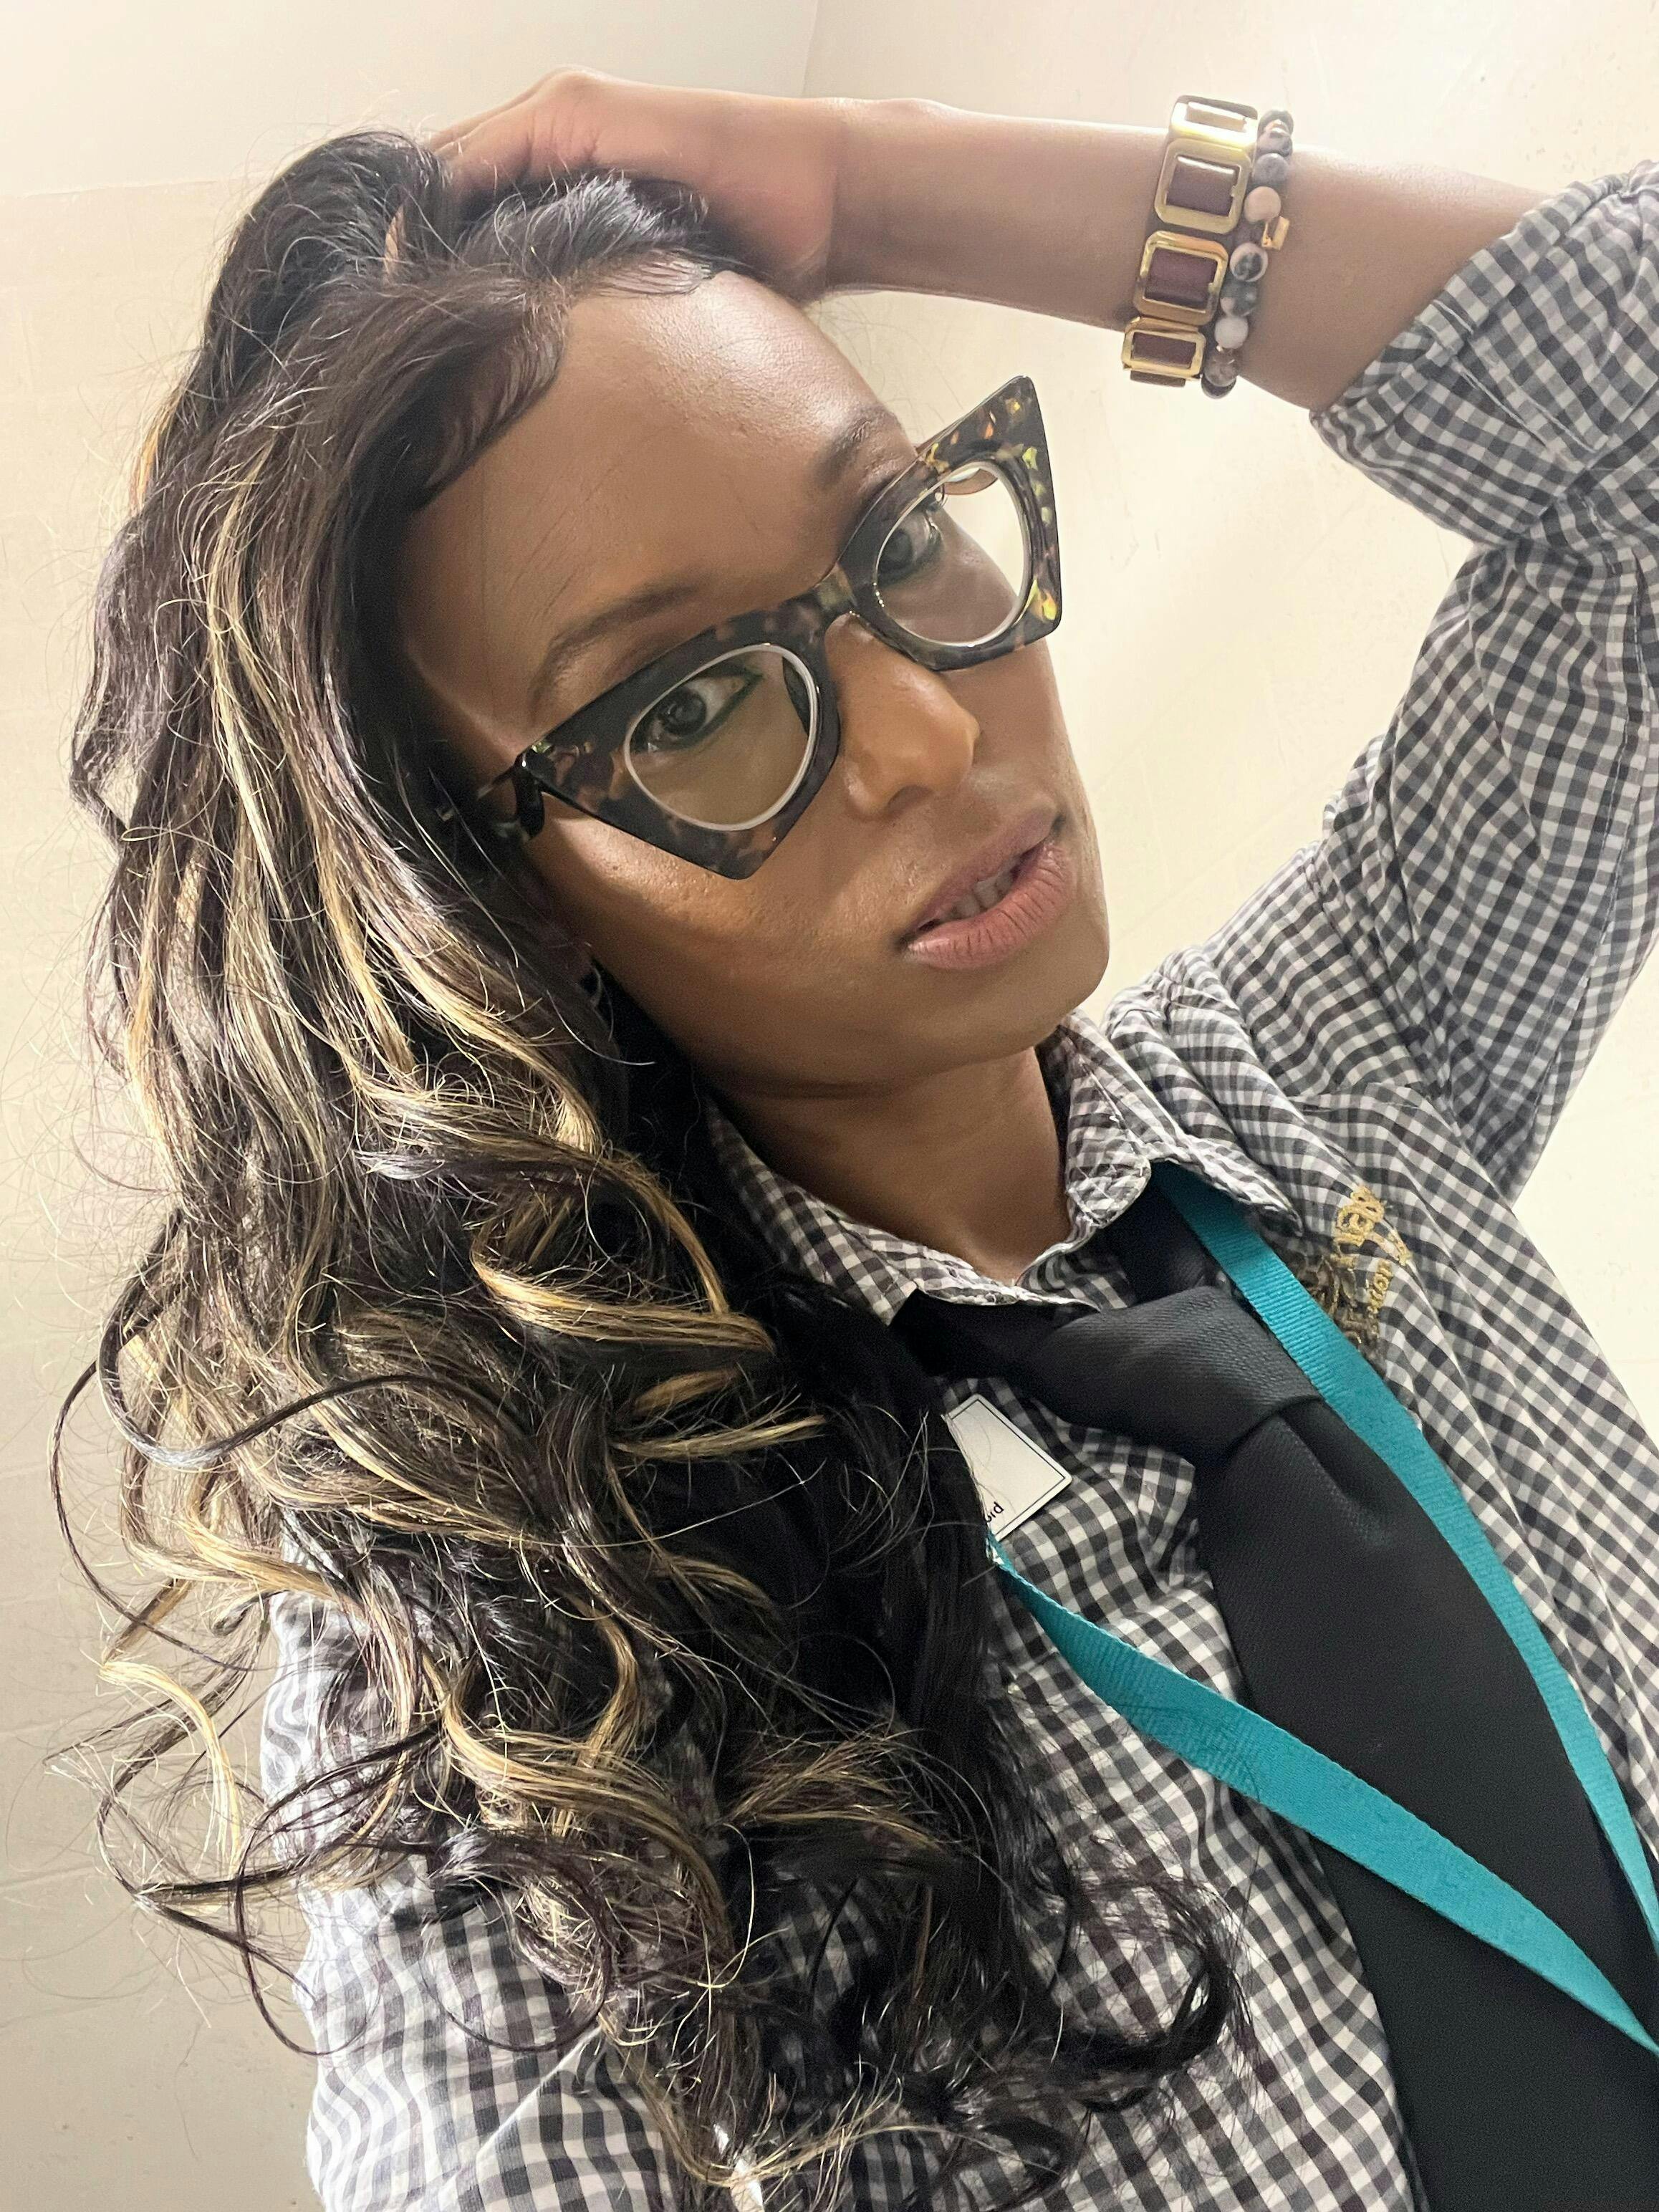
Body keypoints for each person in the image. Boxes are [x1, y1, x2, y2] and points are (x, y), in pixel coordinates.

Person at [58, 65, 1659, 2212]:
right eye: (692, 705)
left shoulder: (1332, 1053)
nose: (924, 732)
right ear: (498, 899)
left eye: (902, 538)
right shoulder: (529, 1649)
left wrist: (873, 183)